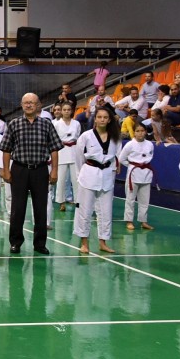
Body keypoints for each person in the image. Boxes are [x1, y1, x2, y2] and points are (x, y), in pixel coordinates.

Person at [0, 92, 62, 255]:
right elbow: (6, 149)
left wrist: (54, 170)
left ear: (38, 105)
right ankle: (15, 242)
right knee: (17, 208)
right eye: (25, 102)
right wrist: (6, 170)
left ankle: (40, 244)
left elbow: (54, 149)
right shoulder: (14, 124)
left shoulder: (46, 124)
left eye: (32, 102)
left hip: (40, 170)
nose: (28, 105)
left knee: (41, 208)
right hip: (19, 169)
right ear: (21, 105)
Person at [73, 106, 120, 254]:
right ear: (95, 119)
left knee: (106, 211)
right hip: (88, 174)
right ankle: (84, 242)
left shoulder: (115, 137)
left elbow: (116, 157)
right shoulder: (86, 136)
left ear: (109, 120)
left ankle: (103, 242)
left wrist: (113, 172)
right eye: (99, 117)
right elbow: (79, 157)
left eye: (105, 117)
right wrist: (80, 175)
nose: (102, 120)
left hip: (107, 175)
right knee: (84, 210)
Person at [118, 122, 155, 232]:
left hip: (146, 174)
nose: (140, 133)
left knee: (145, 200)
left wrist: (142, 166)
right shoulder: (130, 145)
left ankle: (143, 221)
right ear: (134, 132)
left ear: (145, 132)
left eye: (142, 131)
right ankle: (129, 221)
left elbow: (150, 156)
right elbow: (121, 159)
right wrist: (131, 166)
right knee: (130, 199)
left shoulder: (150, 144)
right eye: (137, 131)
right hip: (133, 174)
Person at [50, 101, 80, 216]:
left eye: (68, 110)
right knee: (61, 179)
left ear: (72, 111)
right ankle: (61, 201)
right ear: (61, 111)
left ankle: (78, 201)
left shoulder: (76, 123)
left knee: (75, 179)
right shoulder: (56, 124)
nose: (67, 112)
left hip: (74, 150)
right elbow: (54, 139)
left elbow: (78, 137)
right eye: (64, 110)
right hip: (61, 151)